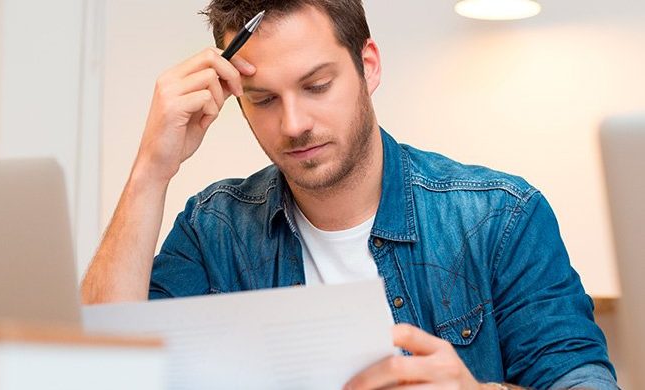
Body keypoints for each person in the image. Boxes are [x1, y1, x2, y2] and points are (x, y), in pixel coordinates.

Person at [81, 1, 617, 388]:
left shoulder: (501, 217)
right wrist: (152, 169)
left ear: (369, 65)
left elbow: (583, 381)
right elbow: (96, 372)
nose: (293, 124)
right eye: (263, 98)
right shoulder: (213, 229)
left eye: (316, 86)